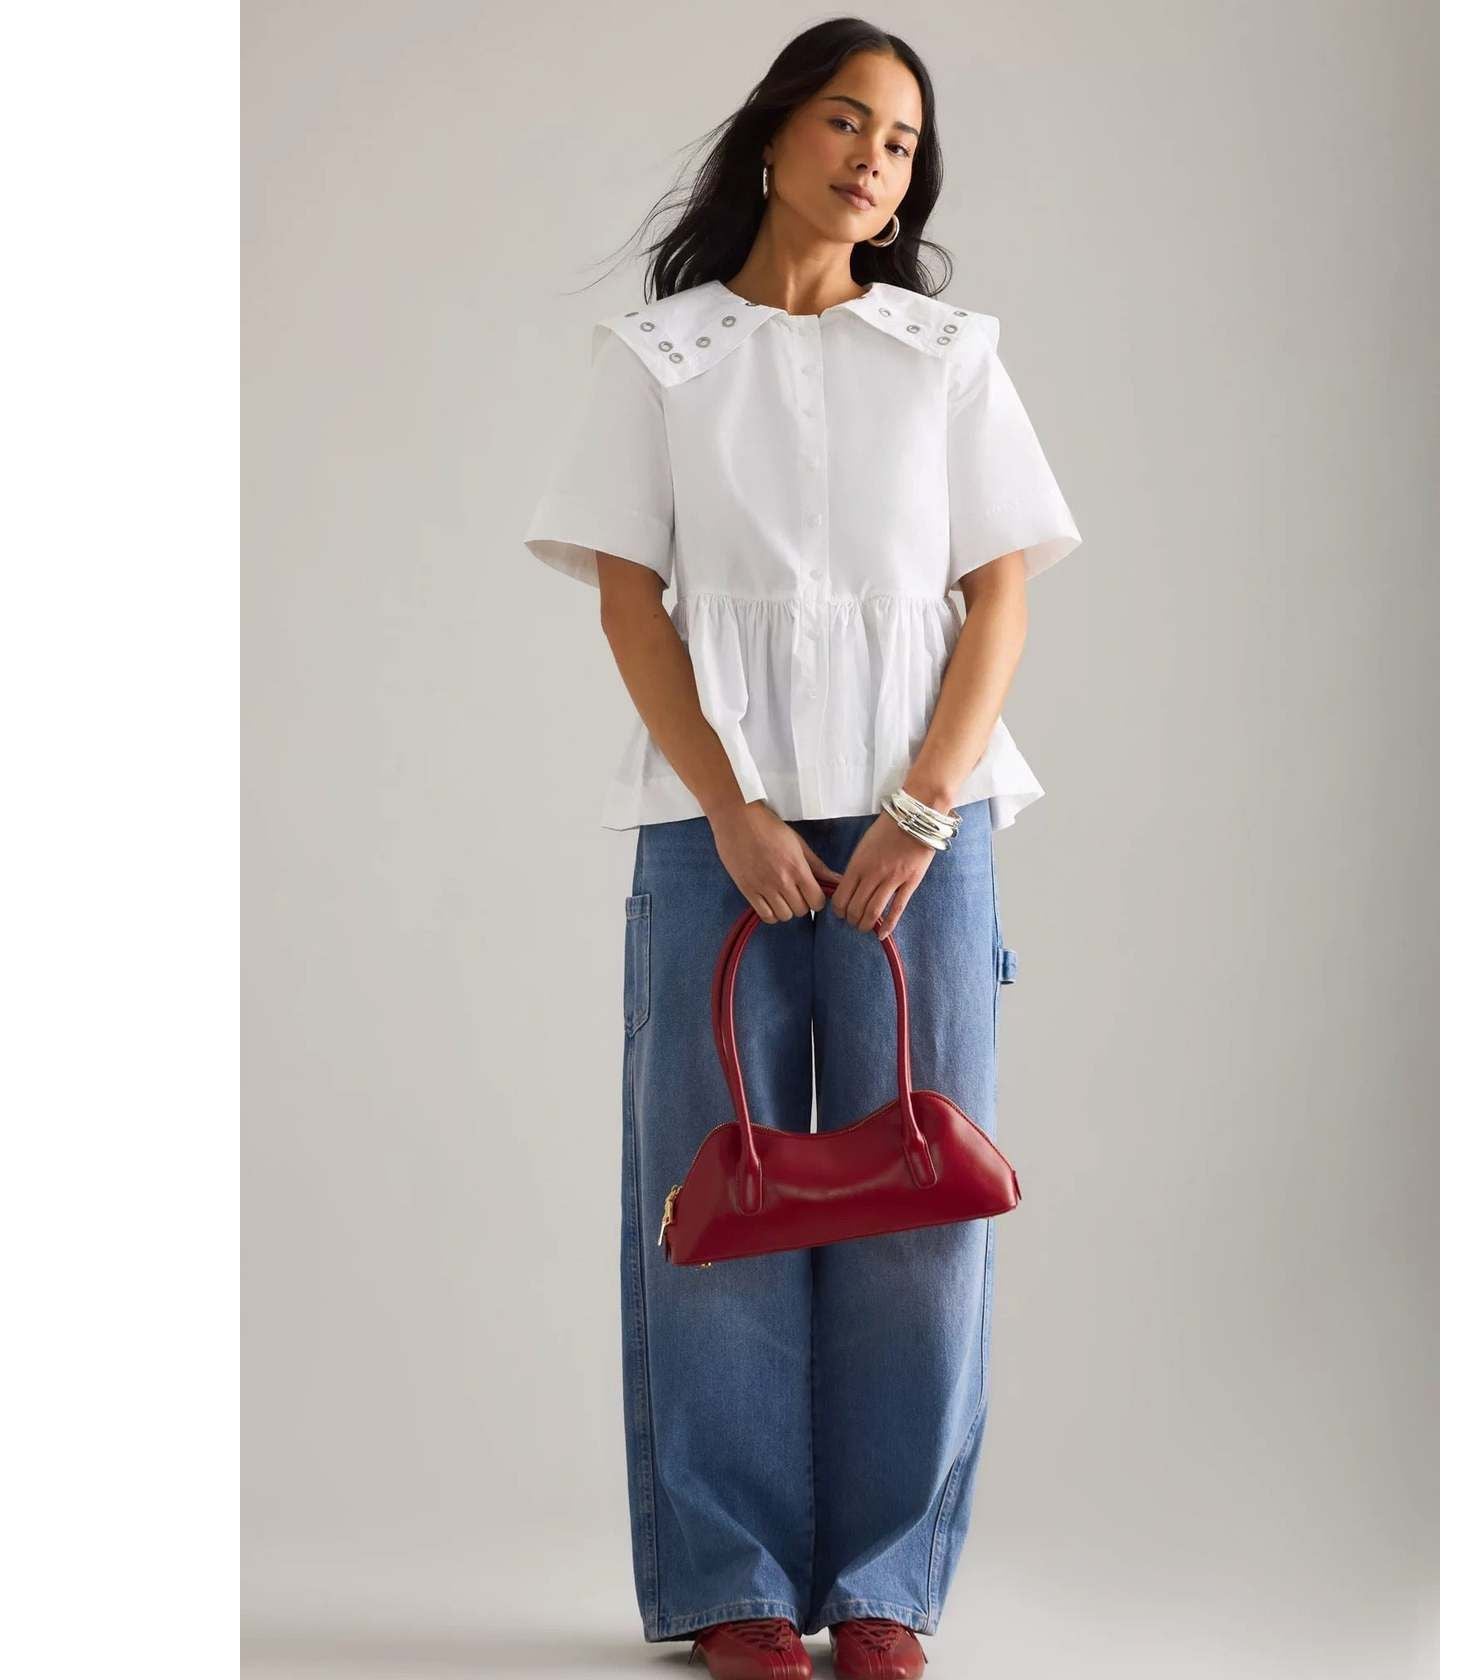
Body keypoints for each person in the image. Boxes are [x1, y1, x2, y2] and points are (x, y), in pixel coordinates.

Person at [521, 19, 1080, 1679]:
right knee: (719, 1192)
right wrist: (733, 806)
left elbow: (1000, 595)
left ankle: (889, 1585)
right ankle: (735, 1584)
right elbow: (631, 603)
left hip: (927, 824)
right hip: (718, 834)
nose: (872, 160)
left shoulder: (949, 355)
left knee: (922, 1201)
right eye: (847, 121)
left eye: (901, 143)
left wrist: (922, 804)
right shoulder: (661, 358)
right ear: (773, 135)